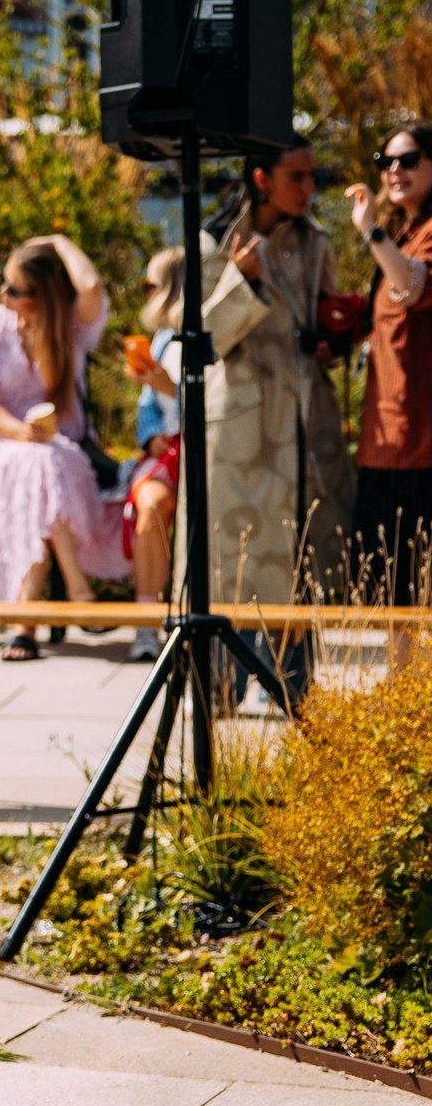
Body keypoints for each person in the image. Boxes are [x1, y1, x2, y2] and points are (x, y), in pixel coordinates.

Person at [200, 143, 355, 700]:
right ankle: (221, 693)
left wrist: (336, 336)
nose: (309, 187)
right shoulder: (213, 239)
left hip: (305, 420)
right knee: (235, 559)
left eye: (313, 176)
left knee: (302, 557)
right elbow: (204, 337)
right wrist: (239, 278)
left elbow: (325, 323)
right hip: (241, 428)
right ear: (262, 178)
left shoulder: (317, 244)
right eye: (298, 176)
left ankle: (295, 697)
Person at [0, 234, 128, 660]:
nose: (3, 295)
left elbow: (91, 289)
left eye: (15, 290)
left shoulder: (69, 327)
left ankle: (24, 622)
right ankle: (79, 595)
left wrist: (59, 242)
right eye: (3, 284)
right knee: (39, 465)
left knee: (43, 464)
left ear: (42, 296)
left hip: (59, 447)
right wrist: (19, 431)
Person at [346, 126, 432, 609]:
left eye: (410, 159)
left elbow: (415, 286)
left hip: (421, 447)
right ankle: (404, 686)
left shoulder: (416, 237)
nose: (394, 170)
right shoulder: (403, 235)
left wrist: (370, 231)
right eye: (386, 160)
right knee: (389, 589)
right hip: (384, 441)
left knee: (416, 591)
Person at [122, 247, 183, 661]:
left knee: (155, 504)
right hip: (167, 451)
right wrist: (151, 437)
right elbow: (148, 404)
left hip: (199, 449)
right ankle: (147, 621)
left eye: (151, 285)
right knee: (149, 506)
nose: (147, 294)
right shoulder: (162, 338)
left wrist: (166, 387)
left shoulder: (196, 334)